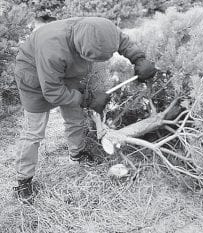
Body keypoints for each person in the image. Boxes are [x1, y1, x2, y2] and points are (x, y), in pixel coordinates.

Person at [13, 17, 157, 204]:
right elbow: (53, 92)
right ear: (81, 50)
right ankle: (24, 180)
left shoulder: (102, 29)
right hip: (34, 78)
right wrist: (87, 100)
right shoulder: (52, 47)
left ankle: (77, 153)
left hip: (67, 72)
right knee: (34, 132)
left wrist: (139, 58)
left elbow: (121, 40)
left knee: (75, 118)